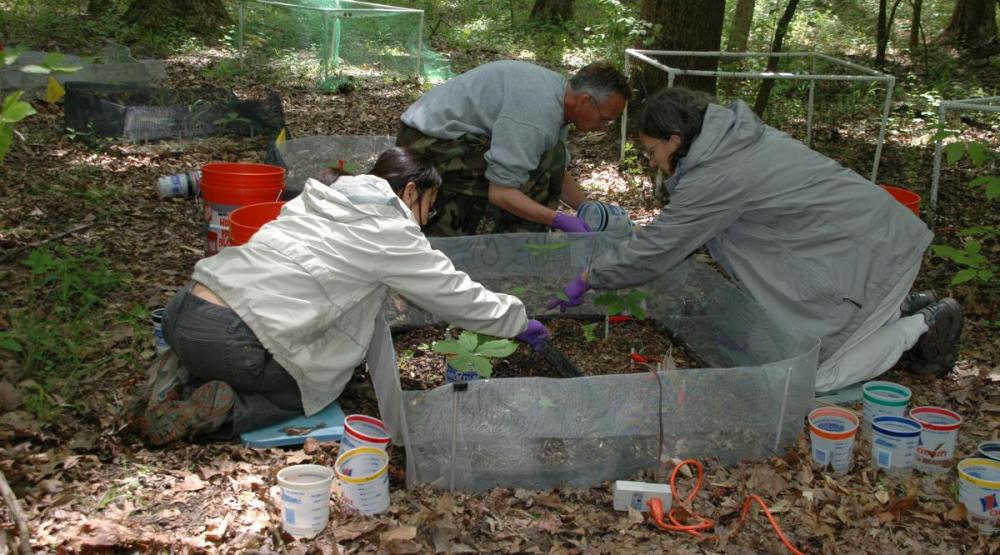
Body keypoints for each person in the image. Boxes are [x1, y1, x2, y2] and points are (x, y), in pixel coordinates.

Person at [548, 87, 963, 393]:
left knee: (813, 378)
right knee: (789, 340)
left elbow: (661, 246)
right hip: (860, 248)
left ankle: (924, 324)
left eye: (652, 150)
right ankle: (900, 307)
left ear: (676, 140)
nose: (652, 161)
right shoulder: (729, 142)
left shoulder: (719, 173)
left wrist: (591, 275)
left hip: (872, 257)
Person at [140, 147, 550, 446]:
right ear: (411, 193)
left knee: (285, 348)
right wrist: (517, 320)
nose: (428, 218)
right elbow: (455, 295)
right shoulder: (390, 231)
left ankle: (181, 375)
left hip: (183, 311)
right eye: (431, 207)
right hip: (233, 338)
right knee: (310, 390)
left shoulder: (317, 199)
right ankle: (223, 412)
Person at [397, 60, 630, 236]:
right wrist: (557, 220)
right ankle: (480, 239)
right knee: (527, 179)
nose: (603, 127)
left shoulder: (558, 95)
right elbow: (501, 192)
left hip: (444, 135)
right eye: (604, 119)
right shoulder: (537, 114)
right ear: (585, 101)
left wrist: (589, 209)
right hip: (424, 142)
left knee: (549, 159)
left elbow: (556, 167)